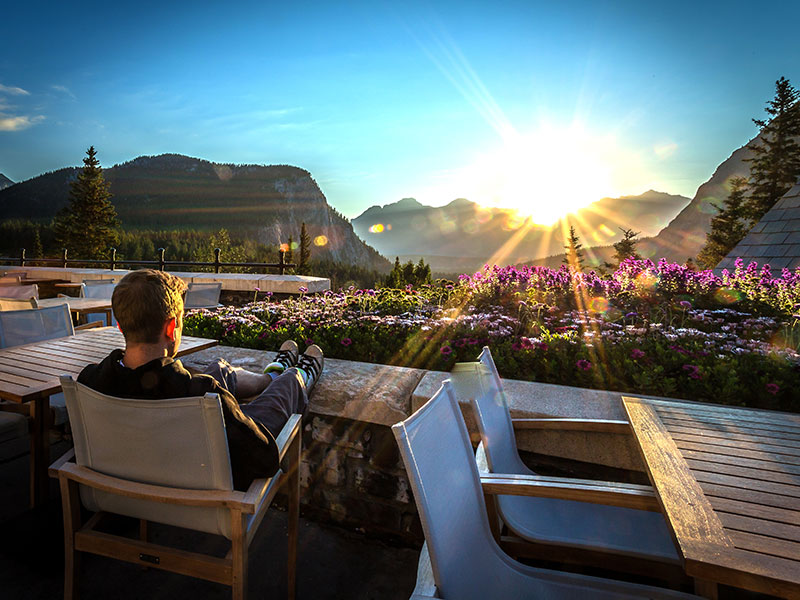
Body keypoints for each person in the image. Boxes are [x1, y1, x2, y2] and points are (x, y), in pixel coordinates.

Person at [78, 269, 324, 489]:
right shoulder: (200, 395)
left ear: (121, 326)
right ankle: (292, 374)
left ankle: (269, 377)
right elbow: (264, 457)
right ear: (171, 326)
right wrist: (239, 414)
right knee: (290, 382)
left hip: (123, 486)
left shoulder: (89, 381)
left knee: (219, 369)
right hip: (199, 489)